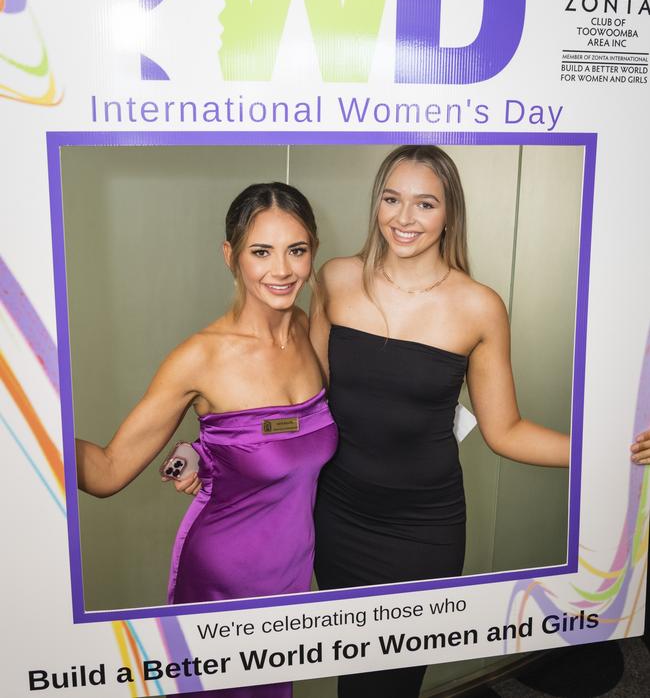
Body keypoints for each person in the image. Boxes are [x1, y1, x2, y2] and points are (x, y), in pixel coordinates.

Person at [309, 144, 571, 698]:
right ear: (376, 203)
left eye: (425, 204)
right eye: (392, 199)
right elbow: (304, 400)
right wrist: (213, 445)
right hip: (338, 515)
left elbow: (506, 432)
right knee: (355, 674)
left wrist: (604, 449)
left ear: (449, 213)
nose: (404, 219)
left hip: (422, 530)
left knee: (394, 683)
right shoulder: (335, 278)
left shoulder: (479, 306)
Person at [76, 182, 338, 698]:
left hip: (291, 569)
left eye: (297, 250)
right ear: (231, 256)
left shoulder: (308, 330)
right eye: (261, 252)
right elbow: (106, 471)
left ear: (314, 251)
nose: (282, 270)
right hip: (224, 575)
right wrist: (27, 428)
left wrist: (201, 452)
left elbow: (276, 438)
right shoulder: (199, 358)